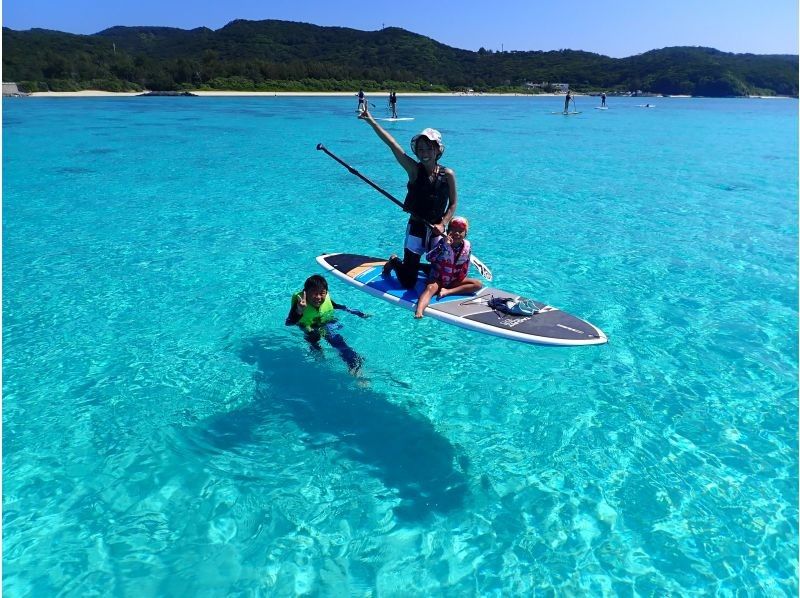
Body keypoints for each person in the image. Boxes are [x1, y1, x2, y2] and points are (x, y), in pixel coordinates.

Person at [359, 109, 458, 289]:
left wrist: (443, 223)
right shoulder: (413, 170)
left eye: (429, 148)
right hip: (416, 229)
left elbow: (453, 204)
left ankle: (412, 266)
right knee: (408, 283)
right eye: (420, 149)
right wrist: (371, 121)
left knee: (443, 277)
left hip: (437, 230)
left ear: (437, 150)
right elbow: (392, 144)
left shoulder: (448, 174)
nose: (424, 152)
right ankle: (396, 262)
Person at [286, 274, 369, 374]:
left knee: (337, 341)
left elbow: (336, 306)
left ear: (326, 292)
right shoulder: (300, 302)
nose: (318, 297)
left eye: (322, 293)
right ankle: (318, 353)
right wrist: (299, 310)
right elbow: (289, 322)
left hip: (325, 322)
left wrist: (359, 313)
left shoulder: (325, 298)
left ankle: (355, 366)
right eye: (314, 293)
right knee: (314, 337)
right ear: (306, 292)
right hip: (308, 326)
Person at [414, 216, 482, 319]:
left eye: (460, 231)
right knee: (430, 288)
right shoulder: (443, 243)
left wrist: (462, 278)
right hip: (438, 279)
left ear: (465, 234)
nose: (457, 234)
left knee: (477, 284)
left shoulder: (467, 246)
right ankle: (419, 311)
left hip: (454, 281)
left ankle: (447, 292)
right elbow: (429, 257)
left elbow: (466, 263)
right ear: (448, 231)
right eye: (453, 230)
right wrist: (444, 246)